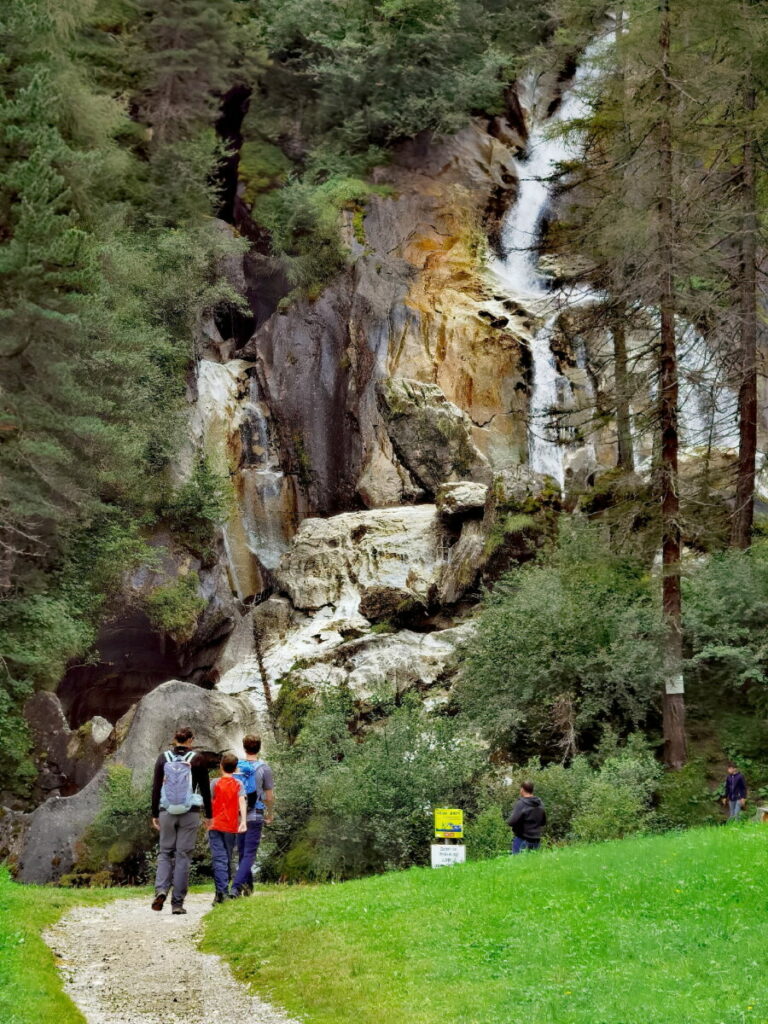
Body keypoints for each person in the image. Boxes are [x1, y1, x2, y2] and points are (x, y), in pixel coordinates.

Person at [151, 725, 212, 915]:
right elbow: (205, 789)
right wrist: (209, 815)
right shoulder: (198, 759)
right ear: (191, 740)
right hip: (190, 812)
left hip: (166, 810)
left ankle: (161, 890)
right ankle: (177, 903)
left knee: (165, 853)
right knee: (183, 856)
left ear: (174, 740)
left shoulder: (163, 758)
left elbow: (155, 788)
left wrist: (154, 813)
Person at [230, 733, 274, 897]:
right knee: (249, 854)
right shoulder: (264, 768)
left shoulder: (236, 767)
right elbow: (269, 796)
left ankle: (247, 888)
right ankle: (235, 888)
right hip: (256, 814)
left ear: (244, 747)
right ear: (259, 748)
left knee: (242, 853)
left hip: (239, 815)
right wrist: (270, 813)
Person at [208, 752, 248, 904]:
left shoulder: (214, 783)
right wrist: (243, 821)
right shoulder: (239, 784)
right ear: (236, 768)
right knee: (228, 858)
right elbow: (242, 802)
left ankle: (221, 893)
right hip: (231, 827)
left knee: (219, 858)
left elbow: (209, 801)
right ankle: (227, 891)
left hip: (215, 825)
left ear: (221, 766)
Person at [507, 780, 547, 854]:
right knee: (533, 863)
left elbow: (512, 821)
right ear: (532, 790)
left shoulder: (521, 803)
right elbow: (543, 822)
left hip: (522, 839)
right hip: (536, 840)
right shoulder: (540, 803)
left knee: (518, 863)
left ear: (522, 789)